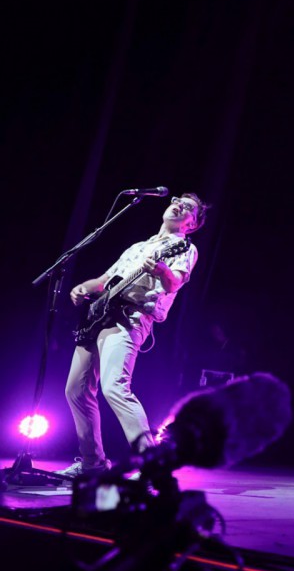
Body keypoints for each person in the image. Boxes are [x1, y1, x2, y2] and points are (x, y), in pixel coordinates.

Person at [57, 194, 208, 478]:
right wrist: (82, 287)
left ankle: (151, 466)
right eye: (177, 200)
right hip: (98, 318)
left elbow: (174, 283)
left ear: (192, 224)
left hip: (131, 318)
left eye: (188, 207)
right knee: (75, 390)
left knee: (115, 387)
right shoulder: (137, 247)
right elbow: (104, 282)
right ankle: (92, 464)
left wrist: (162, 270)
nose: (177, 204)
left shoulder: (184, 248)